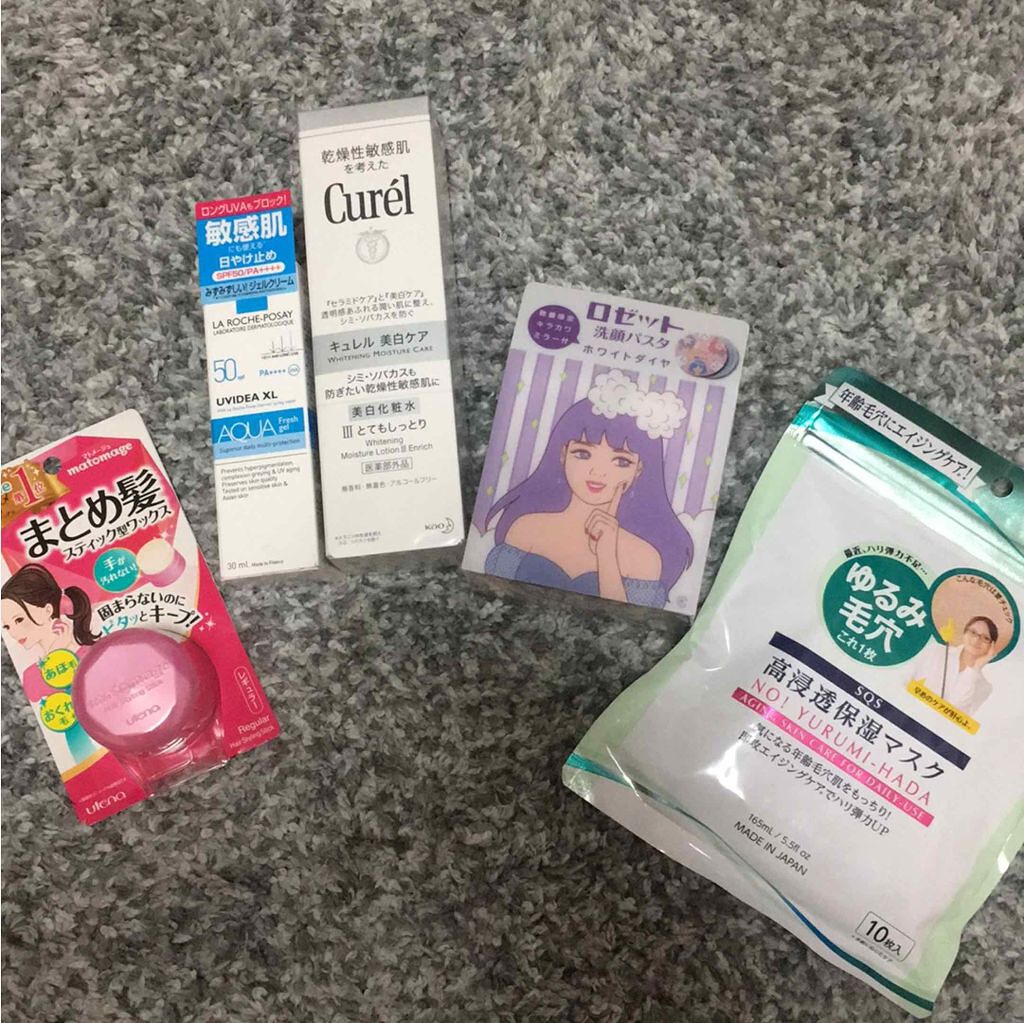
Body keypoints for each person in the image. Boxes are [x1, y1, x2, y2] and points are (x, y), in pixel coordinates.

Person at [484, 371, 693, 608]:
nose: (598, 472)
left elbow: (630, 617)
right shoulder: (525, 528)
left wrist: (607, 556)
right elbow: (495, 596)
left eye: (621, 461)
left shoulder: (645, 558)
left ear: (639, 470)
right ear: (563, 454)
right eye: (583, 454)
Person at [2, 564, 99, 758]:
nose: (14, 632)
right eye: (7, 626)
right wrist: (56, 655)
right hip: (87, 757)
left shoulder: (93, 654)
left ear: (47, 610)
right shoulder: (32, 675)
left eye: (19, 620)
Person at [910, 616, 999, 716]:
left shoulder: (984, 687)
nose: (977, 639)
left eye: (986, 638)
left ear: (991, 646)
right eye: (973, 632)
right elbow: (905, 680)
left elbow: (955, 711)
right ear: (964, 633)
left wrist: (975, 668)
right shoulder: (936, 651)